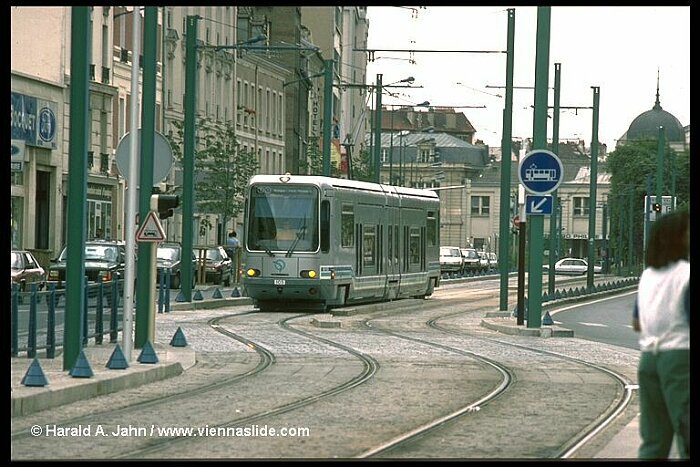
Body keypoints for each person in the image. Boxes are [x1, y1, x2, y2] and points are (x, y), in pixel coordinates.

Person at [633, 207, 689, 459]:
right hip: (681, 359)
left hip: (649, 361)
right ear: (679, 237)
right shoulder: (686, 275)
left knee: (654, 440)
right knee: (687, 434)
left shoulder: (648, 275)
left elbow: (637, 322)